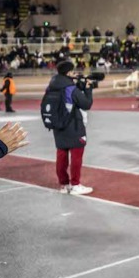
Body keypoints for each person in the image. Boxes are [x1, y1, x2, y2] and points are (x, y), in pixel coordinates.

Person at [47, 60, 94, 195]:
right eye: (73, 72)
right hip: (73, 125)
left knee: (61, 155)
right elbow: (86, 104)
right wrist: (88, 90)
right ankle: (75, 184)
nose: (74, 74)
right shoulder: (70, 88)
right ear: (68, 73)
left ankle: (64, 184)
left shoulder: (52, 86)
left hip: (58, 126)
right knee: (76, 155)